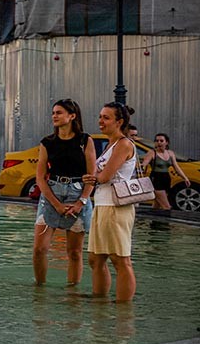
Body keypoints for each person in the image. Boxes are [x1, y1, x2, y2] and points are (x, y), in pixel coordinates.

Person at [32, 99, 96, 288]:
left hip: (78, 194)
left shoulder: (85, 141)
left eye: (59, 112)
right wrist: (56, 204)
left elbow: (91, 175)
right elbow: (40, 177)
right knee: (39, 249)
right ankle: (40, 287)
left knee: (74, 252)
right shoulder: (47, 142)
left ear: (72, 116)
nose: (54, 116)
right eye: (53, 113)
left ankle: (72, 290)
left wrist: (81, 202)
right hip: (52, 193)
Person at [87, 102, 139, 302]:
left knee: (120, 259)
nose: (101, 121)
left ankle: (123, 308)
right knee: (96, 257)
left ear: (119, 122)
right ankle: (99, 300)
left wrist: (92, 176)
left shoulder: (124, 144)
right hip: (102, 204)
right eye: (100, 116)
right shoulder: (110, 144)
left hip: (116, 207)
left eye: (106, 118)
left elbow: (105, 176)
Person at [141, 133, 188, 211]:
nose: (159, 142)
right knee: (166, 206)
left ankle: (155, 221)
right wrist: (142, 166)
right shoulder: (152, 153)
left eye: (161, 141)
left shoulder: (170, 153)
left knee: (157, 204)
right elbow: (145, 163)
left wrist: (185, 178)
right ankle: (165, 222)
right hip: (156, 179)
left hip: (166, 178)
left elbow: (176, 167)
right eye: (157, 141)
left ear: (166, 142)